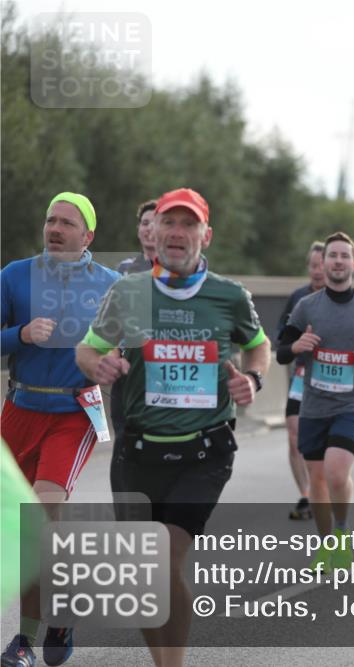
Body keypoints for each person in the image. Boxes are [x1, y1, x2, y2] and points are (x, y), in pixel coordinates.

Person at [76, 187, 270, 667]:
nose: (177, 233)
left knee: (165, 560)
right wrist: (97, 367)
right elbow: (87, 348)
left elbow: (258, 344)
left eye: (188, 224)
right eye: (169, 222)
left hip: (204, 451)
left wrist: (253, 378)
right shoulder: (127, 292)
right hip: (137, 452)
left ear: (206, 235)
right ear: (153, 231)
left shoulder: (229, 297)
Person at [1, 192, 119, 667]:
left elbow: (131, 348)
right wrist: (20, 335)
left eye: (67, 223)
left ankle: (24, 641)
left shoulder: (111, 285)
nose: (55, 228)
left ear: (88, 235)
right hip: (19, 408)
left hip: (74, 414)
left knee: (39, 518)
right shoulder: (14, 275)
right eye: (50, 219)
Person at [276, 231, 354, 572]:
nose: (338, 261)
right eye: (332, 256)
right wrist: (297, 347)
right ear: (323, 263)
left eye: (344, 256)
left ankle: (341, 533)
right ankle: (327, 547)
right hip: (314, 404)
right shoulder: (306, 306)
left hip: (352, 403)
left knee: (337, 472)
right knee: (318, 482)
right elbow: (282, 350)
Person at [275, 241, 326, 519]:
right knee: (294, 435)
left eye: (321, 265)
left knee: (326, 441)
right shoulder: (298, 298)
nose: (317, 271)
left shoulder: (342, 299)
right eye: (312, 266)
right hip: (302, 376)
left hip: (334, 380)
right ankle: (306, 495)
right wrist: (295, 343)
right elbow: (280, 339)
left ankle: (324, 490)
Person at [109, 199, 158, 490]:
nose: (149, 228)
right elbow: (110, 322)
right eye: (144, 222)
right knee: (125, 445)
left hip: (165, 373)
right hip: (128, 375)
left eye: (157, 222)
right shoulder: (123, 269)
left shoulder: (183, 270)